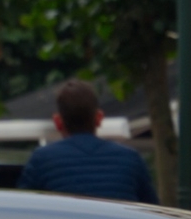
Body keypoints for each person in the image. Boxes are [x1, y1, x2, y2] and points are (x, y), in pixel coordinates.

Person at [19, 80, 158, 205]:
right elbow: (153, 211)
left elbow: (23, 211)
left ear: (58, 122)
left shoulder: (41, 160)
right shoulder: (131, 158)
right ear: (99, 118)